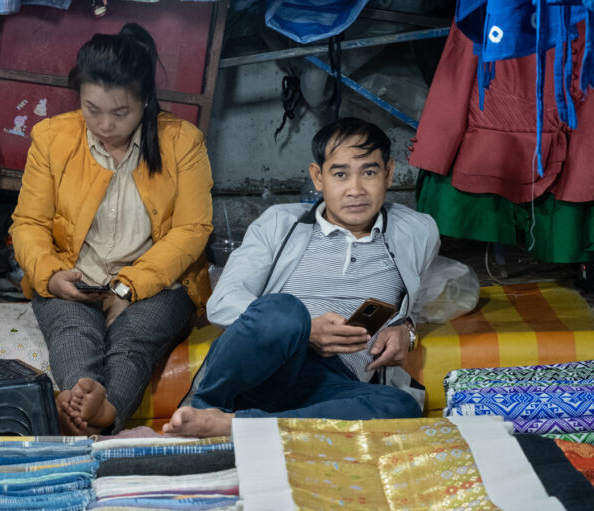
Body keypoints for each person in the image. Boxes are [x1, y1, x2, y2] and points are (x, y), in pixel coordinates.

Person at [164, 117, 439, 438]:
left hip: (332, 382)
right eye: (340, 174)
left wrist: (403, 329)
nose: (355, 189)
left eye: (369, 172)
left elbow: (416, 297)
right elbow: (222, 303)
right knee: (284, 310)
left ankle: (240, 425)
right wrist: (305, 329)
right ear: (318, 177)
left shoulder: (418, 232)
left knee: (401, 407)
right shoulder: (280, 224)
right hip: (260, 366)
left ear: (389, 173)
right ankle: (207, 406)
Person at [10, 23, 213, 436]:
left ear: (145, 101)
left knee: (133, 338)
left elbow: (192, 230)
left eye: (120, 112)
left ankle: (104, 413)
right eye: (92, 109)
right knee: (73, 332)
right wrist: (50, 274)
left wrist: (127, 287)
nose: (104, 124)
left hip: (157, 284)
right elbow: (27, 223)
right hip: (74, 275)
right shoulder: (52, 138)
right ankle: (79, 403)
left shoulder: (182, 141)